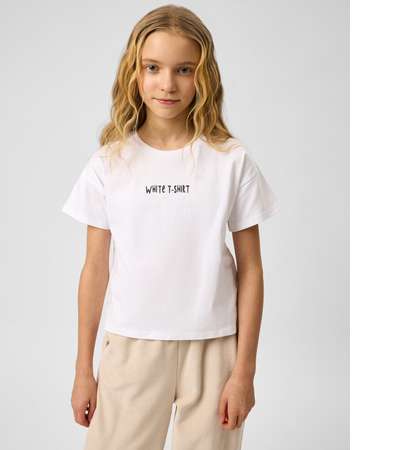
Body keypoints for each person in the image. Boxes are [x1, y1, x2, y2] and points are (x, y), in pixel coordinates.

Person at [61, 5, 280, 450]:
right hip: (131, 345)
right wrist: (83, 370)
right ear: (134, 72)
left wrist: (244, 372)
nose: (167, 84)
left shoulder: (230, 161)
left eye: (184, 69)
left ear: (204, 75)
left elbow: (251, 269)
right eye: (153, 68)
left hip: (215, 348)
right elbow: (95, 269)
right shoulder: (109, 163)